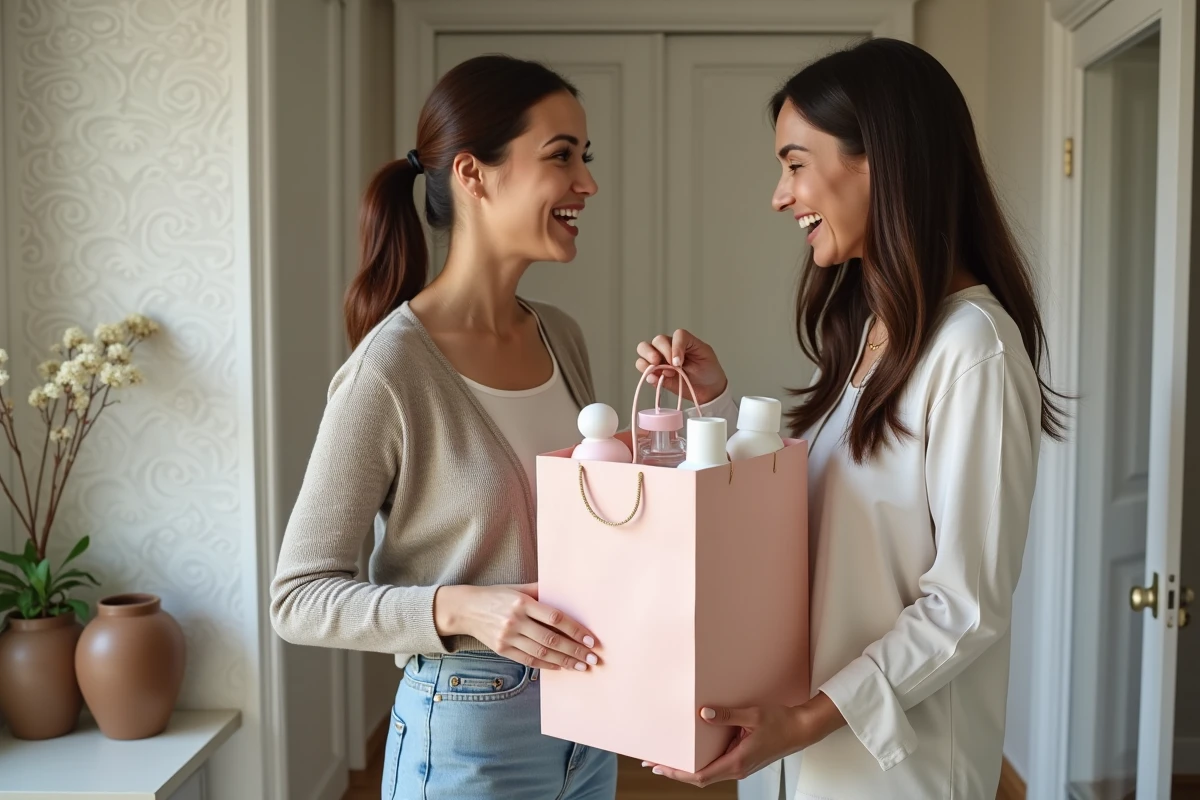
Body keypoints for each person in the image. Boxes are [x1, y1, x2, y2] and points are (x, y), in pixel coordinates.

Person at [633, 38, 1064, 799]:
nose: (779, 194)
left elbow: (965, 606)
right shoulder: (870, 329)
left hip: (890, 770)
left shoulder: (974, 351)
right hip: (795, 755)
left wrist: (804, 721)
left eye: (795, 164)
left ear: (882, 161)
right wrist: (717, 406)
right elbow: (820, 515)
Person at [270, 54, 617, 800]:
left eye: (585, 158)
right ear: (473, 174)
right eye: (562, 157)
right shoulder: (389, 371)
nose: (587, 183)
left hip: (590, 721)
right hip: (467, 732)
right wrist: (461, 608)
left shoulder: (562, 336)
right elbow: (298, 597)